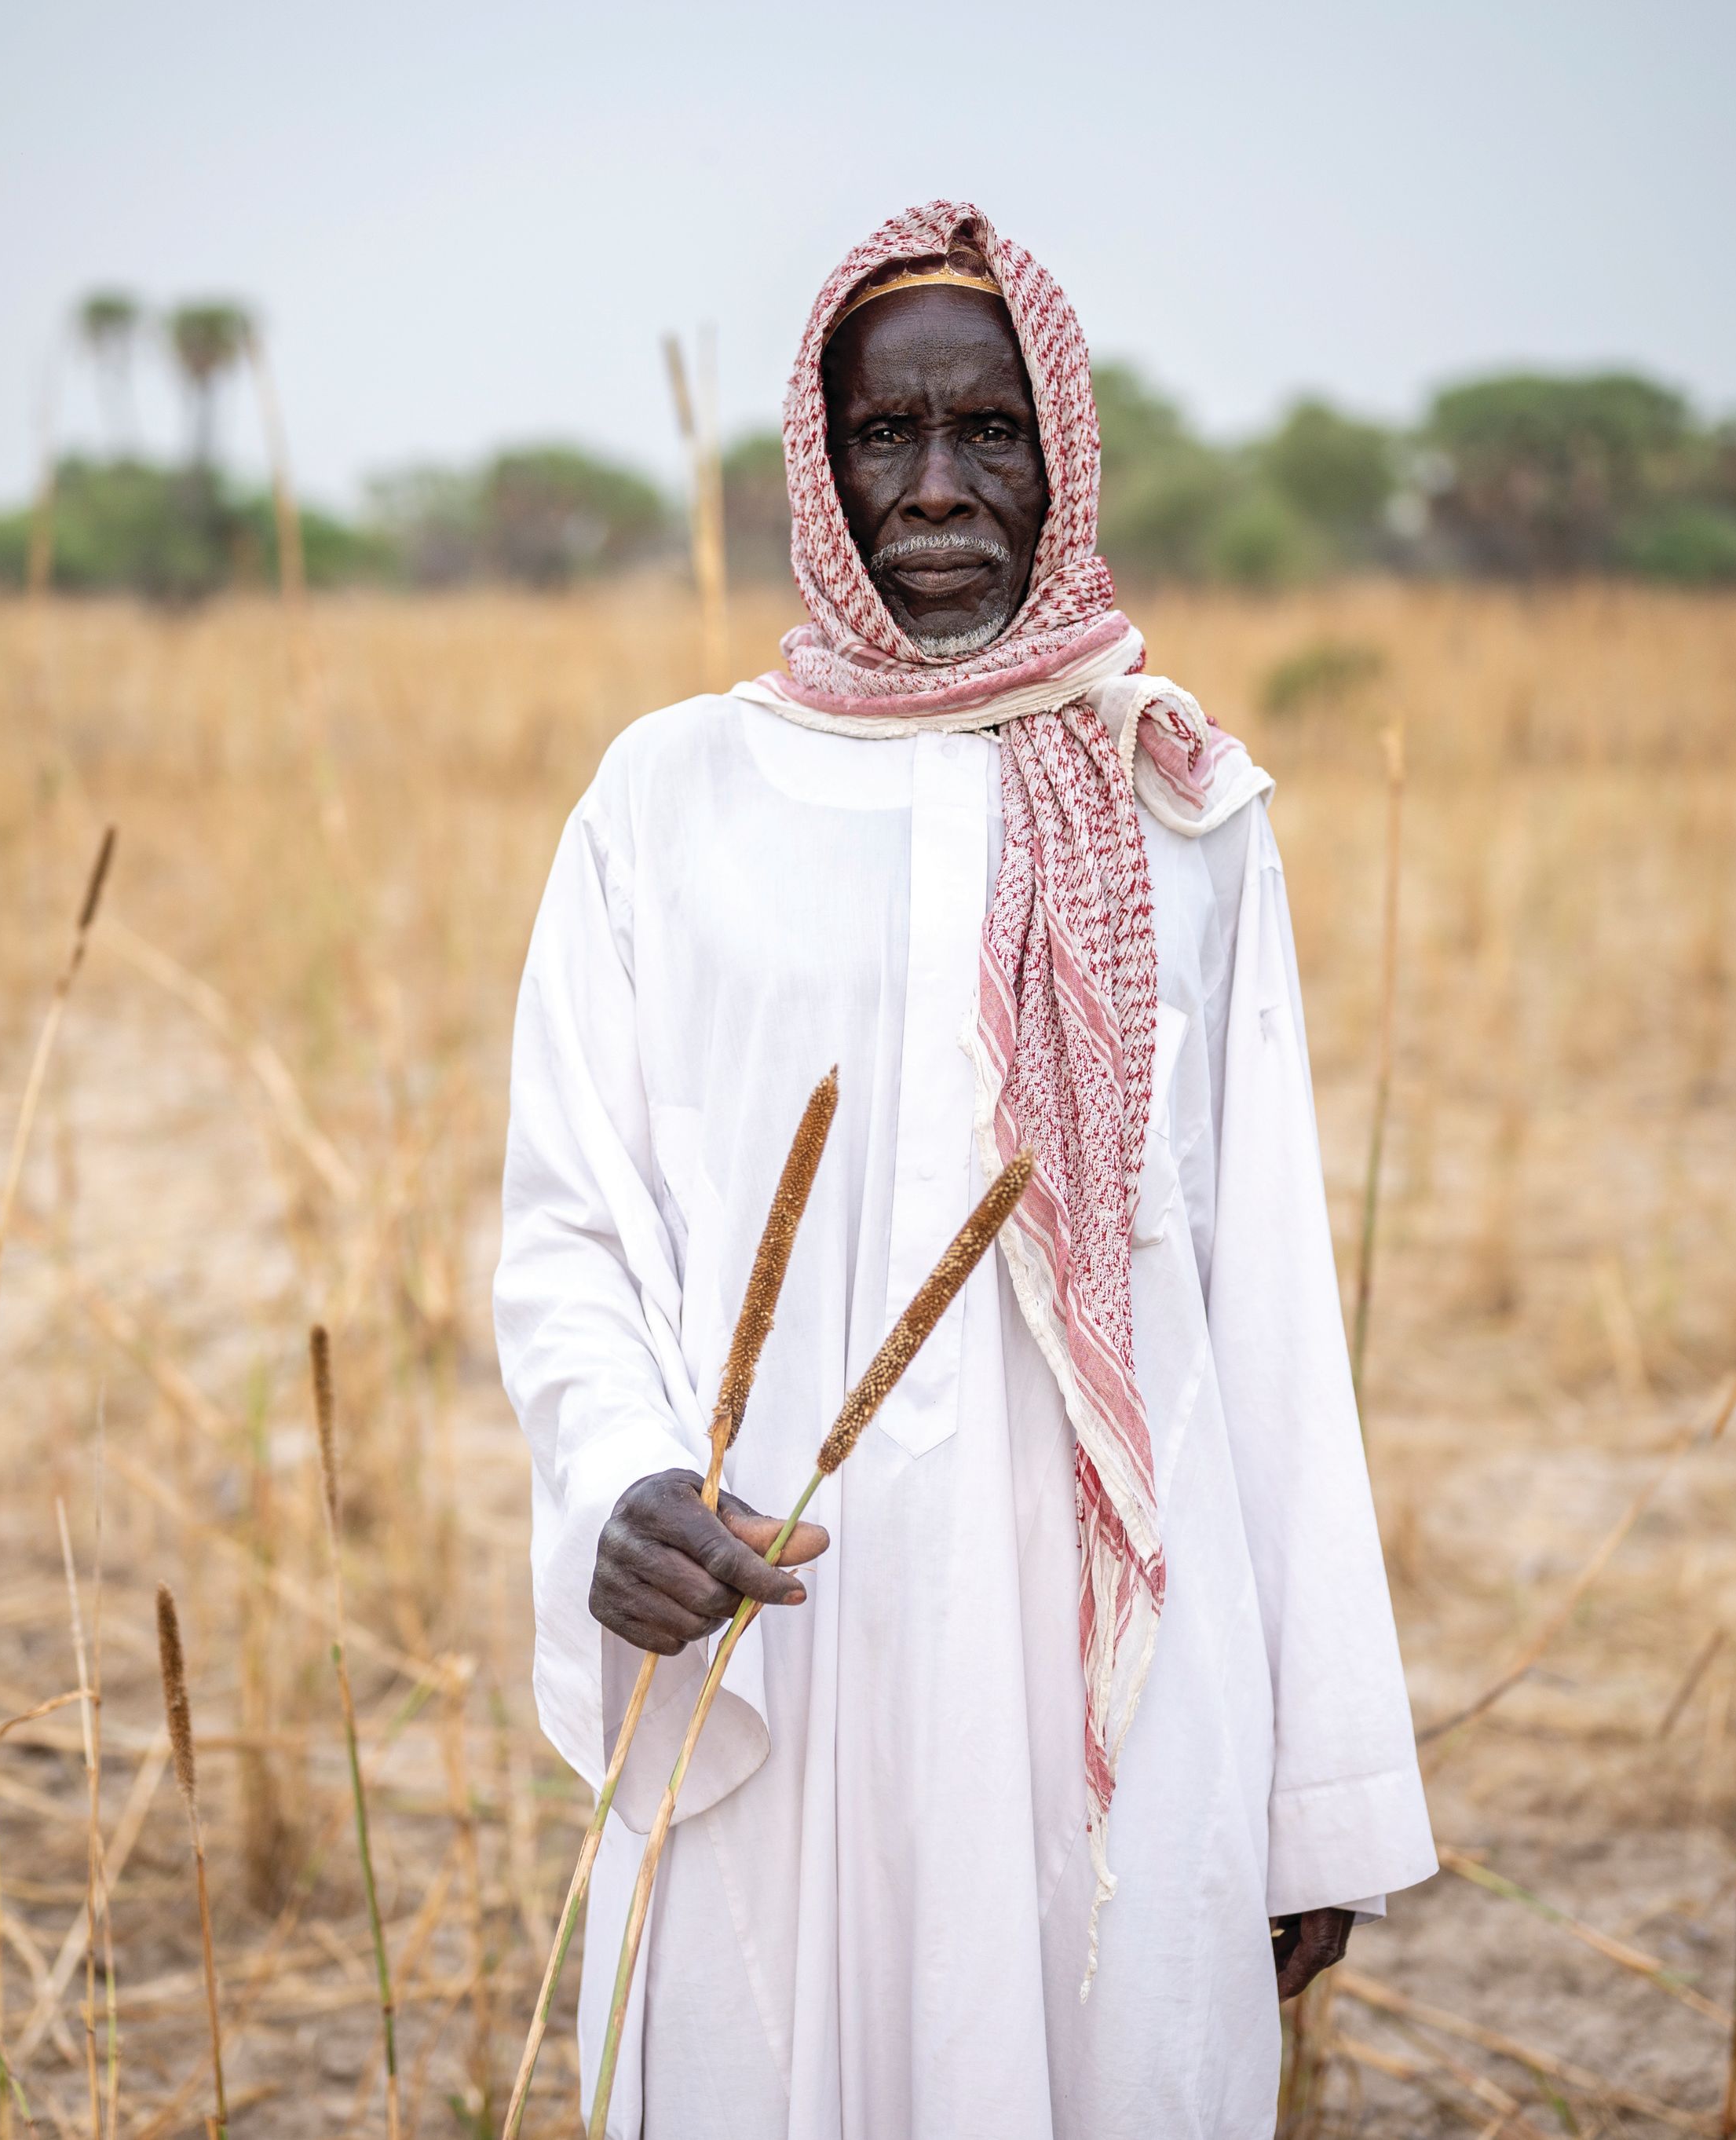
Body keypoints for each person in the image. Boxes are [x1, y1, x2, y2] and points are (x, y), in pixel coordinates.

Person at [495, 199, 1434, 2138]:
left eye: (985, 433)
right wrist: (618, 1481)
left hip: (1118, 1674)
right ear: (815, 467)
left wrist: (1309, 1781)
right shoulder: (667, 796)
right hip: (777, 1618)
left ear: (1059, 455)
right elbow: (572, 1224)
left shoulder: (1178, 803)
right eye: (880, 437)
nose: (932, 489)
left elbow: (1262, 1301)